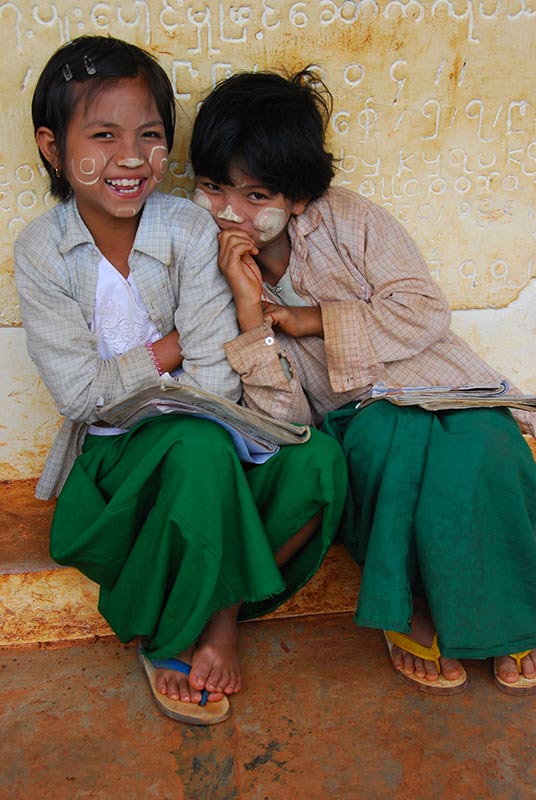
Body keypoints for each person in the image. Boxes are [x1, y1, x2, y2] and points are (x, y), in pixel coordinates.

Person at [14, 39, 347, 725]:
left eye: (151, 137)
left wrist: (147, 369)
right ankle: (189, 630)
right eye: (102, 137)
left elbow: (218, 381)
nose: (132, 158)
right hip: (116, 460)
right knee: (195, 449)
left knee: (316, 462)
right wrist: (168, 348)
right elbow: (82, 396)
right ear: (52, 147)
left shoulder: (190, 228)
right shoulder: (42, 251)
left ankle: (211, 606)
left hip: (210, 434)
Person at [189, 68, 536, 695]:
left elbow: (423, 310)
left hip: (440, 383)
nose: (230, 212)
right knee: (385, 453)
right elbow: (279, 414)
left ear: (297, 197)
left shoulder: (347, 220)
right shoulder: (204, 272)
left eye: (256, 195)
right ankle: (414, 610)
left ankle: (513, 613)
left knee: (491, 445)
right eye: (212, 187)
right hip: (357, 413)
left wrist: (311, 319)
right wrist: (248, 307)